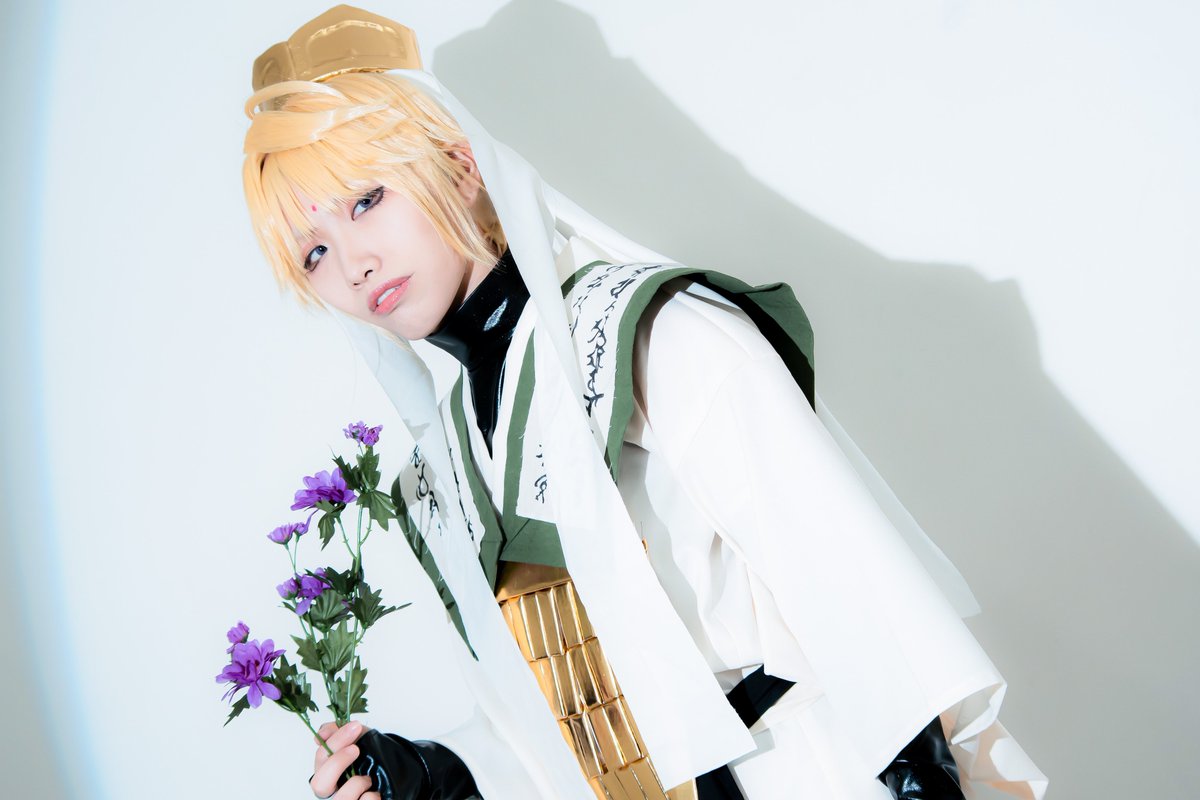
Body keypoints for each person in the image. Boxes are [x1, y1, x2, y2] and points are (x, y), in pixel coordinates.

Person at [240, 6, 1047, 800]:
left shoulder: (652, 331)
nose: (353, 264)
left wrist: (923, 777)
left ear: (459, 166)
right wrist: (434, 775)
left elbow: (848, 577)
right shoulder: (436, 475)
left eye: (367, 201)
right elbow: (552, 726)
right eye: (314, 252)